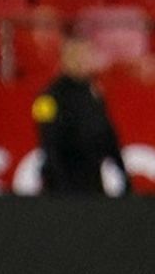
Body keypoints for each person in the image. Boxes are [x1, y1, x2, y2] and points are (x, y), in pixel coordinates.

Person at [34, 35, 127, 197]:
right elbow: (48, 141)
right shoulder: (48, 96)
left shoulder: (94, 93)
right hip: (61, 182)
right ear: (65, 59)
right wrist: (60, 181)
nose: (84, 61)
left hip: (91, 180)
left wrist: (122, 170)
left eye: (87, 55)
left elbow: (106, 133)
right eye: (78, 56)